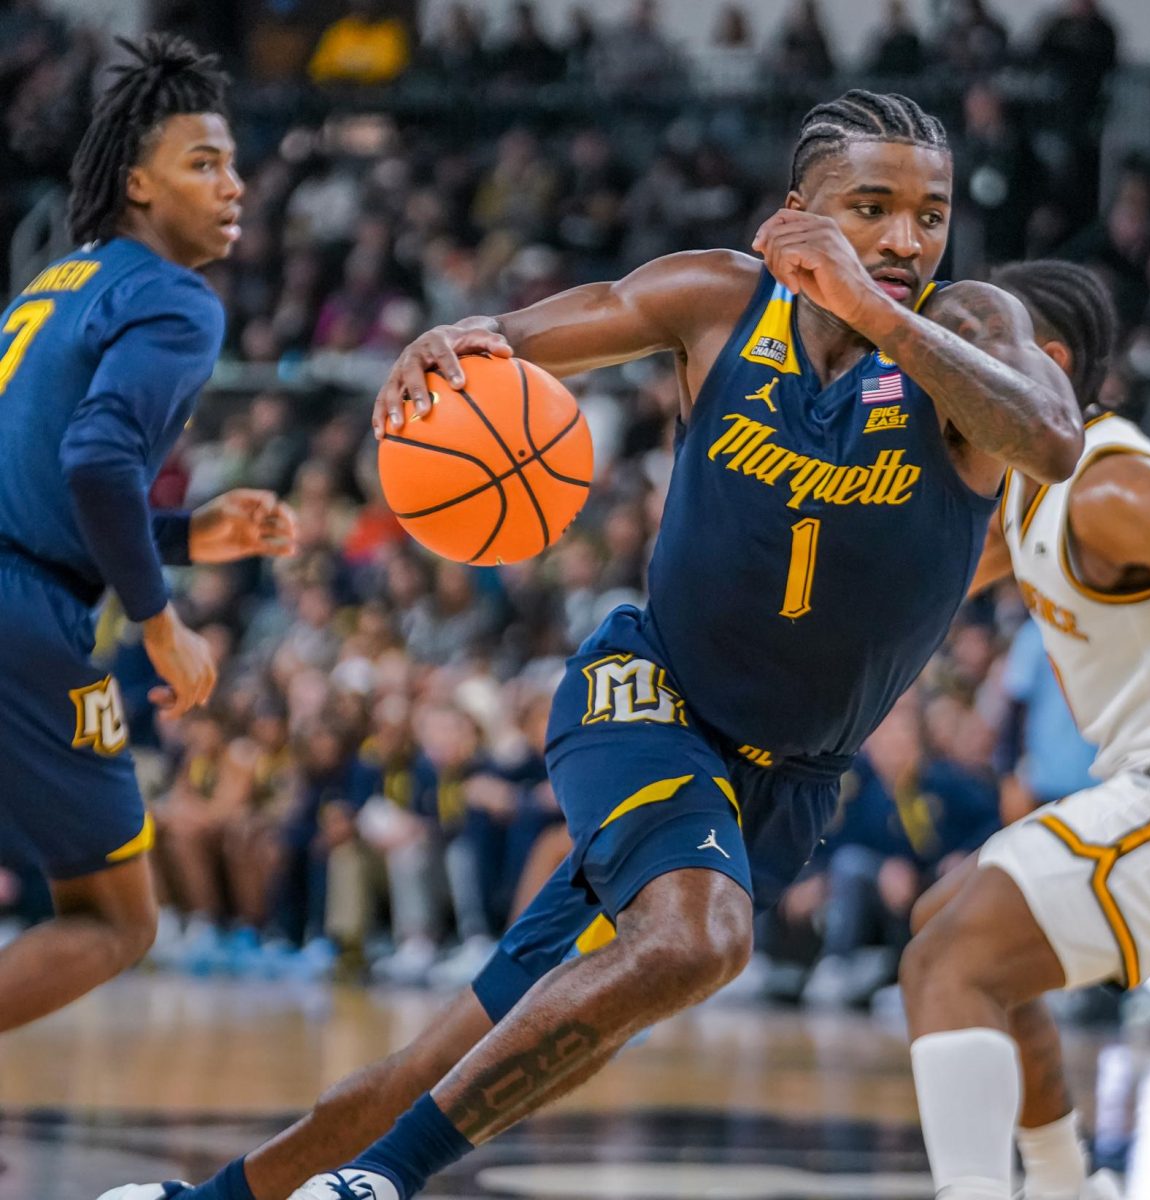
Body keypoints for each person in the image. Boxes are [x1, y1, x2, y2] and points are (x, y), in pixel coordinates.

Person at [101, 89, 1082, 1200]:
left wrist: (873, 306)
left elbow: (1050, 442)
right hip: (648, 693)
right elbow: (508, 343)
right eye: (869, 208)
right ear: (795, 214)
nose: (906, 239)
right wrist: (446, 349)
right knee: (698, 940)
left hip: (790, 777)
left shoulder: (968, 333)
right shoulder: (719, 300)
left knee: (464, 1046)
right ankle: (378, 1185)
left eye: (929, 215)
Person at [0, 34, 297, 1034]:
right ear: (137, 184)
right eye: (202, 164)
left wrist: (185, 532)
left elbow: (49, 480)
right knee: (118, 920)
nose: (233, 186)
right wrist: (160, 618)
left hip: (18, 577)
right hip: (23, 618)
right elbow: (93, 462)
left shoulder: (55, 282)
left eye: (233, 162)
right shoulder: (175, 298)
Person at [901, 260, 1150, 1200]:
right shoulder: (1027, 497)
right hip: (1139, 788)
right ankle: (1063, 1184)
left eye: (964, 348)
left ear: (1040, 362)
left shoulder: (1108, 486)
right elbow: (905, 587)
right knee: (952, 934)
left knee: (951, 961)